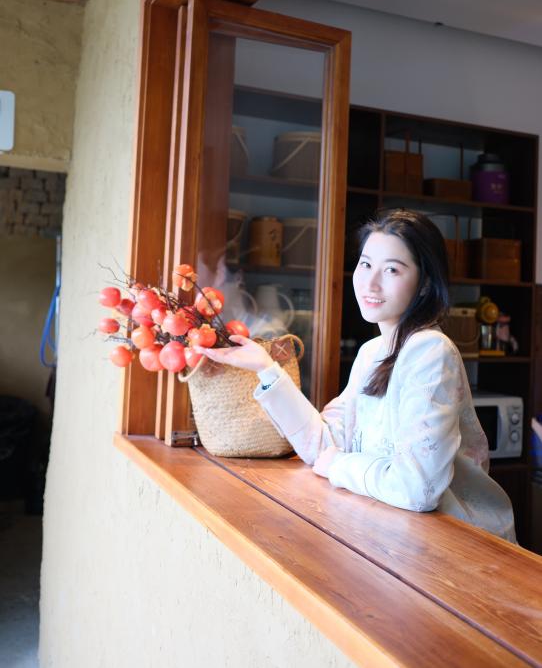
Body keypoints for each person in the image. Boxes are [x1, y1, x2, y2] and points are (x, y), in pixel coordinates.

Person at [195, 209, 516, 542]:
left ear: (424, 284)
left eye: (392, 269)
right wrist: (265, 368)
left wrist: (339, 465)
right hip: (400, 536)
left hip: (462, 545)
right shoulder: (371, 353)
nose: (370, 283)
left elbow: (417, 489)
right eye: (365, 264)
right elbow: (322, 446)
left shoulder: (431, 350)